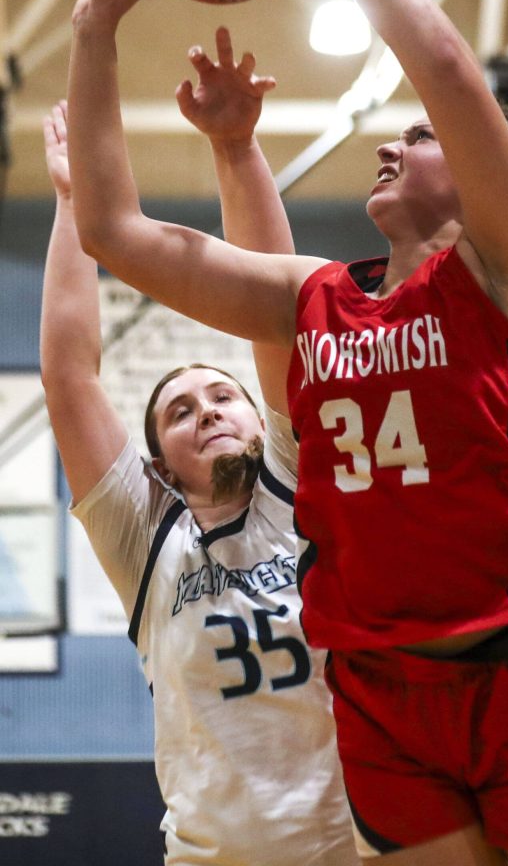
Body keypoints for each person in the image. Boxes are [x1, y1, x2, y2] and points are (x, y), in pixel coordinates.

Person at [64, 0, 508, 863]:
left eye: (417, 138)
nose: (389, 145)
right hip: (379, 692)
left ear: (480, 177)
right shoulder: (314, 299)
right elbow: (117, 232)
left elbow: (444, 62)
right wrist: (97, 31)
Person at [40, 97, 356, 866]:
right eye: (180, 411)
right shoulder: (145, 540)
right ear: (158, 465)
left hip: (358, 850)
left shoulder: (295, 484)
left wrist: (235, 147)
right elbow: (70, 374)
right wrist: (73, 201)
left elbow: (277, 307)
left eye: (224, 397)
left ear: (260, 419)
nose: (209, 412)